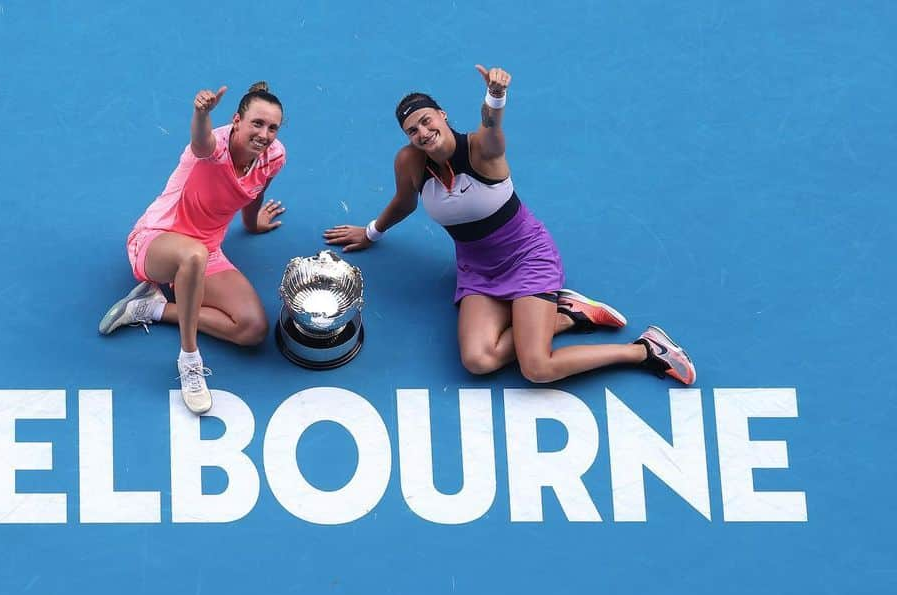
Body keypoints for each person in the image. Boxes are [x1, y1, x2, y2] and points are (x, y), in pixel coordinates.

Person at [323, 65, 695, 385]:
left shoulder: (483, 149)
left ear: (442, 114)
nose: (421, 132)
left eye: (425, 119)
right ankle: (568, 316)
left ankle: (644, 350)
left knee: (537, 367)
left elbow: (491, 124)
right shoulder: (409, 162)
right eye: (411, 129)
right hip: (477, 271)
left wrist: (495, 95)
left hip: (527, 259)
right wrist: (371, 232)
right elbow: (404, 201)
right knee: (478, 360)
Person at [99, 82, 288, 414]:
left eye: (272, 127)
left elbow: (254, 190)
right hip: (155, 241)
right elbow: (202, 143)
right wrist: (201, 114)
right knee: (192, 255)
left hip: (207, 250)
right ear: (237, 121)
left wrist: (252, 222)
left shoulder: (273, 156)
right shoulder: (213, 149)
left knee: (253, 328)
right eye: (257, 123)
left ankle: (149, 309)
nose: (265, 134)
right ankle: (189, 360)